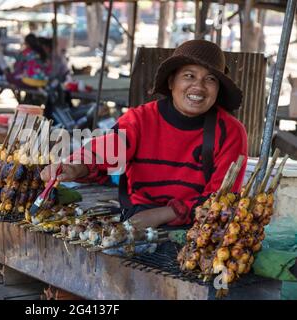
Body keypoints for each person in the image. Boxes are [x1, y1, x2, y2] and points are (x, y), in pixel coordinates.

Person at [41, 40, 248, 229]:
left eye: (210, 79)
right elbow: (105, 152)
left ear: (218, 89)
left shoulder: (231, 132)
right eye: (189, 75)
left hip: (200, 228)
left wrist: (164, 214)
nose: (199, 86)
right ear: (171, 82)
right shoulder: (140, 120)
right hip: (137, 220)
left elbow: (222, 198)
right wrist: (76, 167)